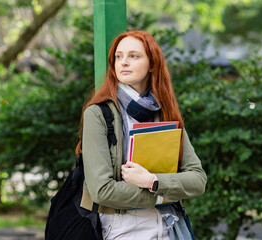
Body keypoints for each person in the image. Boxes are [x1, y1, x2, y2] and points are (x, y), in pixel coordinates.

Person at [75, 30, 207, 240]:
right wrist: (163, 195)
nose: (123, 62)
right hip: (123, 227)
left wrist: (152, 181)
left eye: (133, 56)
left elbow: (198, 179)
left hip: (169, 224)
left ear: (152, 64)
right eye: (118, 57)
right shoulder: (99, 114)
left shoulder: (165, 112)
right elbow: (102, 191)